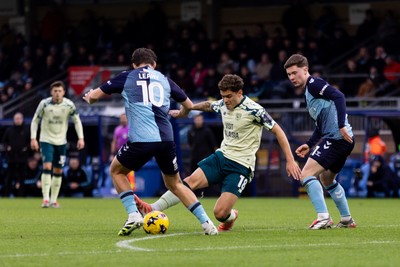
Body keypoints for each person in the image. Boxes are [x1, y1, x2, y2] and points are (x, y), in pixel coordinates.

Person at [134, 74, 301, 232]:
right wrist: (189, 108)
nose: (225, 100)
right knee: (189, 181)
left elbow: (278, 131)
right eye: (223, 96)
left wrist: (290, 160)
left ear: (240, 92)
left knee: (220, 214)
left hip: (241, 166)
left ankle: (232, 216)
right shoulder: (223, 103)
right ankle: (152, 208)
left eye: (229, 96)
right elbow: (209, 105)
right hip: (222, 157)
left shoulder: (255, 110)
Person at [82, 47, 218, 236]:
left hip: (142, 138)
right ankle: (207, 223)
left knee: (116, 171)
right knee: (176, 184)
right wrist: (181, 113)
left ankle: (133, 215)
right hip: (166, 138)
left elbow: (94, 97)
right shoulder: (164, 79)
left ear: (134, 64)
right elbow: (188, 105)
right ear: (154, 64)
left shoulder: (127, 76)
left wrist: (89, 97)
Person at [284, 54, 356, 229]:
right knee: (327, 179)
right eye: (289, 75)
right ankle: (347, 219)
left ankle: (323, 217)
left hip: (337, 139)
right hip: (342, 140)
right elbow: (321, 124)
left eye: (295, 73)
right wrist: (309, 144)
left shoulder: (314, 84)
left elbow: (339, 96)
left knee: (306, 174)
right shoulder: (310, 91)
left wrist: (340, 125)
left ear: (305, 70)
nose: (292, 77)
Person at [31, 80, 85, 208]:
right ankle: (45, 199)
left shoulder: (69, 105)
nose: (57, 93)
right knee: (47, 166)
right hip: (46, 140)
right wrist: (33, 138)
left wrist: (81, 138)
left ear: (64, 92)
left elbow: (77, 121)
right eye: (55, 91)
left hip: (61, 142)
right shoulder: (44, 104)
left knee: (58, 169)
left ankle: (53, 200)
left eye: (59, 91)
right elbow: (35, 121)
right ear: (51, 92)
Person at [2, 112, 31, 197]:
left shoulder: (26, 130)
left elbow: (30, 143)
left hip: (23, 158)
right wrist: (7, 147)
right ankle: (6, 195)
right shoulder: (9, 130)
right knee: (9, 177)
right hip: (11, 158)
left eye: (19, 118)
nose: (18, 120)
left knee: (22, 178)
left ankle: (21, 196)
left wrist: (26, 148)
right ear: (14, 120)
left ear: (22, 119)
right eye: (16, 119)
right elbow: (4, 142)